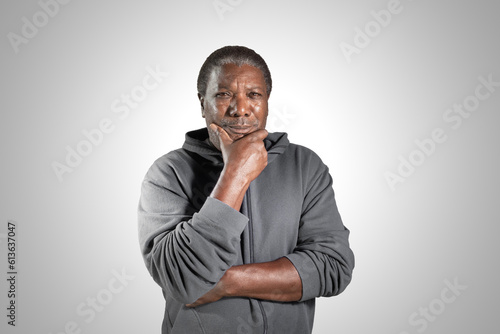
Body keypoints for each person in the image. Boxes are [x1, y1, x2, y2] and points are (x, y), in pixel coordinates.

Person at [138, 45, 355, 334]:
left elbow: (333, 267)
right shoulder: (167, 174)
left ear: (267, 101)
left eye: (253, 95)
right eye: (223, 94)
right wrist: (235, 174)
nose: (240, 109)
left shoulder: (305, 166)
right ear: (202, 103)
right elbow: (182, 280)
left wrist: (225, 283)